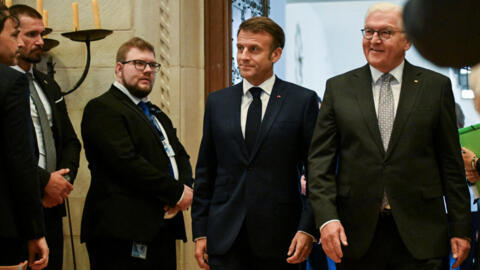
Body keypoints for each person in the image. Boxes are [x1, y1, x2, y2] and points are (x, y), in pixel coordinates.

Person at [308, 2, 471, 270]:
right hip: (357, 235)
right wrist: (327, 219)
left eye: (385, 33)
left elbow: (451, 164)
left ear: (407, 41)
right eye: (368, 32)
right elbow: (319, 164)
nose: (374, 40)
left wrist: (461, 227)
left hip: (422, 234)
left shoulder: (435, 87)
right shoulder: (338, 88)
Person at [192, 16, 319, 270]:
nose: (243, 56)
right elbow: (206, 170)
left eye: (254, 49)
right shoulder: (217, 102)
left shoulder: (301, 101)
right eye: (240, 48)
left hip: (281, 238)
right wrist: (201, 231)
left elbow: (316, 172)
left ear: (276, 54)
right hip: (225, 236)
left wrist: (308, 228)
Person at [80, 37, 193, 270]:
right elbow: (126, 163)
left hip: (161, 225)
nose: (148, 71)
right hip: (121, 230)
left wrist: (184, 189)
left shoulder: (155, 113)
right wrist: (175, 192)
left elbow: (180, 155)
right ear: (119, 68)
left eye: (152, 65)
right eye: (139, 64)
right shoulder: (103, 108)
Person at [9, 5, 81, 270]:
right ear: (12, 35)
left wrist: (61, 182)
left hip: (51, 207)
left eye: (42, 33)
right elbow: (8, 151)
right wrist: (43, 182)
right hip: (14, 208)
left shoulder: (47, 84)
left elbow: (71, 141)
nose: (40, 41)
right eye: (32, 34)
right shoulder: (4, 85)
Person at [0, 4, 49, 269]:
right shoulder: (11, 82)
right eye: (13, 34)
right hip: (6, 224)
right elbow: (19, 158)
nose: (18, 43)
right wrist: (35, 231)